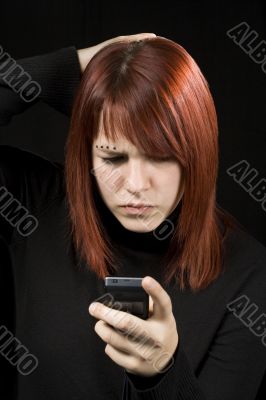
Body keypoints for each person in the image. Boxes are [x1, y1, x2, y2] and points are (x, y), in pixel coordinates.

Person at [0, 33, 266, 400]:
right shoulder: (30, 204)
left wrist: (162, 375)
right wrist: (66, 67)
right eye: (112, 158)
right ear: (86, 154)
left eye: (160, 157)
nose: (136, 185)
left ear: (198, 154)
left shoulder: (250, 273)